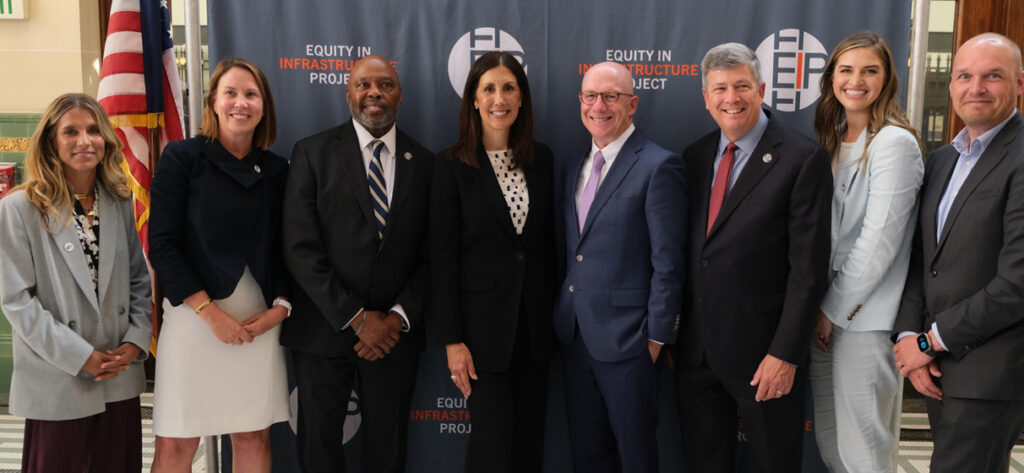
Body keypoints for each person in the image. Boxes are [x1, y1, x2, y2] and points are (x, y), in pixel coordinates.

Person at [674, 42, 831, 473]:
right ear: (705, 97)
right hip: (698, 355)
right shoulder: (695, 156)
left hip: (765, 358)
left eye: (741, 85)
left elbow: (808, 269)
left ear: (761, 89)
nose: (731, 98)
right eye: (720, 88)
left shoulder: (802, 158)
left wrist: (785, 354)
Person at [281, 54, 433, 473]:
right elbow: (299, 247)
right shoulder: (311, 153)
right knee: (319, 452)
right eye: (364, 85)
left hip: (393, 338)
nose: (374, 93)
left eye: (385, 85)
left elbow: (432, 255)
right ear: (348, 92)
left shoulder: (425, 164)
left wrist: (394, 319)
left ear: (399, 95)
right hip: (323, 331)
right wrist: (355, 317)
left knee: (388, 452)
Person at [148, 58, 290, 473]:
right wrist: (210, 314)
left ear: (264, 107)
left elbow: (290, 248)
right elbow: (162, 245)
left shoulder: (278, 170)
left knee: (251, 435)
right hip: (194, 319)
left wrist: (282, 308)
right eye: (230, 93)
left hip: (258, 325)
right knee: (177, 442)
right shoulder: (182, 158)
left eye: (251, 94)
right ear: (212, 102)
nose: (240, 103)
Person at [892, 32, 1024, 473]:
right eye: (964, 76)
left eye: (993, 76)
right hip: (938, 368)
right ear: (950, 86)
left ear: (1019, 84)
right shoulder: (942, 160)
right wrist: (909, 337)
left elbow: (1016, 284)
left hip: (990, 371)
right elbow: (920, 260)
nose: (976, 88)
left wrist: (931, 341)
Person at [0, 93, 152, 472]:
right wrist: (78, 356)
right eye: (71, 131)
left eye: (93, 130)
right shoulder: (19, 209)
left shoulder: (118, 201)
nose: (85, 140)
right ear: (51, 141)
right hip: (59, 374)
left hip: (118, 372)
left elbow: (137, 278)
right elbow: (17, 300)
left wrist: (136, 339)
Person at [553, 61, 687, 473]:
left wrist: (658, 337)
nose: (599, 105)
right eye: (590, 96)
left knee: (636, 458)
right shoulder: (572, 164)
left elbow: (669, 262)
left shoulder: (658, 165)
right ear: (580, 101)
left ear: (632, 104)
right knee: (588, 457)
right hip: (575, 337)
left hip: (631, 343)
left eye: (611, 96)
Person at [432, 50, 556, 473]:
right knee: (491, 447)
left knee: (528, 446)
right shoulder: (449, 167)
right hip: (481, 337)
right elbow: (442, 261)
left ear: (521, 99)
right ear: (473, 99)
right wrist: (452, 341)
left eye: (508, 88)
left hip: (535, 331)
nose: (499, 98)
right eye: (488, 89)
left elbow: (546, 247)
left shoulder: (543, 160)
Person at [807, 31, 925, 473]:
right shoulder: (833, 141)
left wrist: (831, 311)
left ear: (887, 79)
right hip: (825, 319)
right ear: (831, 78)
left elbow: (879, 244)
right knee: (833, 448)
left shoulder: (893, 143)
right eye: (846, 70)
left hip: (863, 322)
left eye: (869, 70)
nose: (856, 80)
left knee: (865, 454)